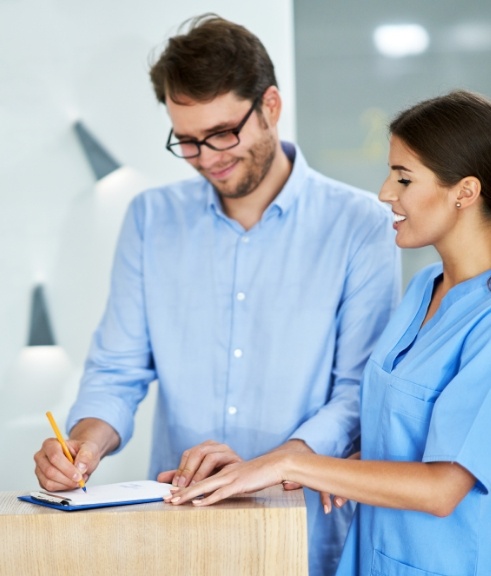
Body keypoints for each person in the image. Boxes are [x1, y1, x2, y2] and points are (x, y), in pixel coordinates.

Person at [33, 14, 400, 576]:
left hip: (306, 533)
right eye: (188, 140)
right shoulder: (150, 220)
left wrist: (268, 466)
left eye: (223, 133)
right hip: (176, 536)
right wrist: (83, 444)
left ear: (270, 106)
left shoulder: (361, 226)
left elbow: (357, 393)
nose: (208, 157)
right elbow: (117, 370)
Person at [164, 89, 491, 576]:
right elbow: (400, 432)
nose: (385, 192)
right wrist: (319, 470)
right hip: (372, 555)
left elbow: (444, 488)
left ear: (465, 191)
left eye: (404, 178)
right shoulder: (424, 287)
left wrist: (288, 463)